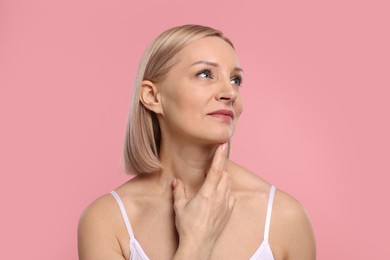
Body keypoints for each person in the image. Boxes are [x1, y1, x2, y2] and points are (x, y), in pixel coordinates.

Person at [78, 24, 316, 260]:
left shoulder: (284, 218)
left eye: (235, 80)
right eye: (205, 74)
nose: (230, 92)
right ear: (152, 96)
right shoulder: (107, 222)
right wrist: (195, 243)